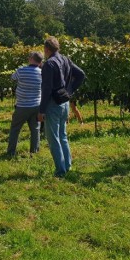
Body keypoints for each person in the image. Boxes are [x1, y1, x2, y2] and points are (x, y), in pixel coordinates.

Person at [37, 37, 86, 177]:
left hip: (53, 103)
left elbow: (46, 89)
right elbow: (81, 74)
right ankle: (67, 164)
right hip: (64, 103)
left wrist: (41, 110)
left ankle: (60, 170)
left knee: (53, 138)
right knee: (62, 135)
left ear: (46, 49)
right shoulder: (65, 59)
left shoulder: (49, 64)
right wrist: (70, 90)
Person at [7, 51, 43, 157]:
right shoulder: (42, 73)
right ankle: (34, 151)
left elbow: (13, 78)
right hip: (36, 105)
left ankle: (11, 152)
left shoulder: (21, 70)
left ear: (31, 59)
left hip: (22, 106)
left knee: (15, 129)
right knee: (35, 129)